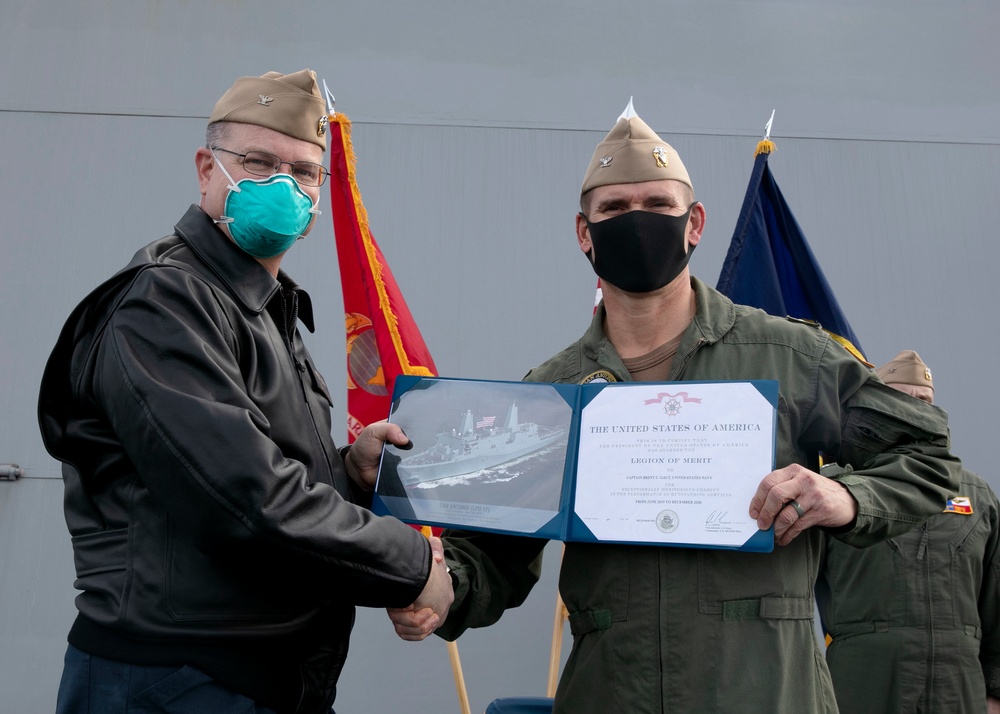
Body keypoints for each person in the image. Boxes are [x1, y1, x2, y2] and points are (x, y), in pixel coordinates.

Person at [386, 106, 963, 713]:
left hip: (768, 690)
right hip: (612, 692)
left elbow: (925, 456)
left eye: (659, 205)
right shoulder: (556, 391)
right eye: (613, 209)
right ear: (583, 233)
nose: (637, 221)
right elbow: (494, 552)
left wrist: (844, 497)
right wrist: (439, 588)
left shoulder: (792, 356)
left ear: (695, 223)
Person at [36, 69, 453, 714]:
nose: (284, 187)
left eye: (305, 172)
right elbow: (245, 503)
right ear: (207, 169)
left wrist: (353, 471)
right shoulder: (165, 303)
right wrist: (413, 566)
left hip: (250, 678)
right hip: (176, 679)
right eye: (258, 163)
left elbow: (266, 469)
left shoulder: (257, 306)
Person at [816, 350, 1000, 713]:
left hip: (959, 686)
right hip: (863, 682)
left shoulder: (975, 496)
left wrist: (995, 692)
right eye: (902, 397)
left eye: (925, 401)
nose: (917, 409)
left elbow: (996, 599)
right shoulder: (837, 490)